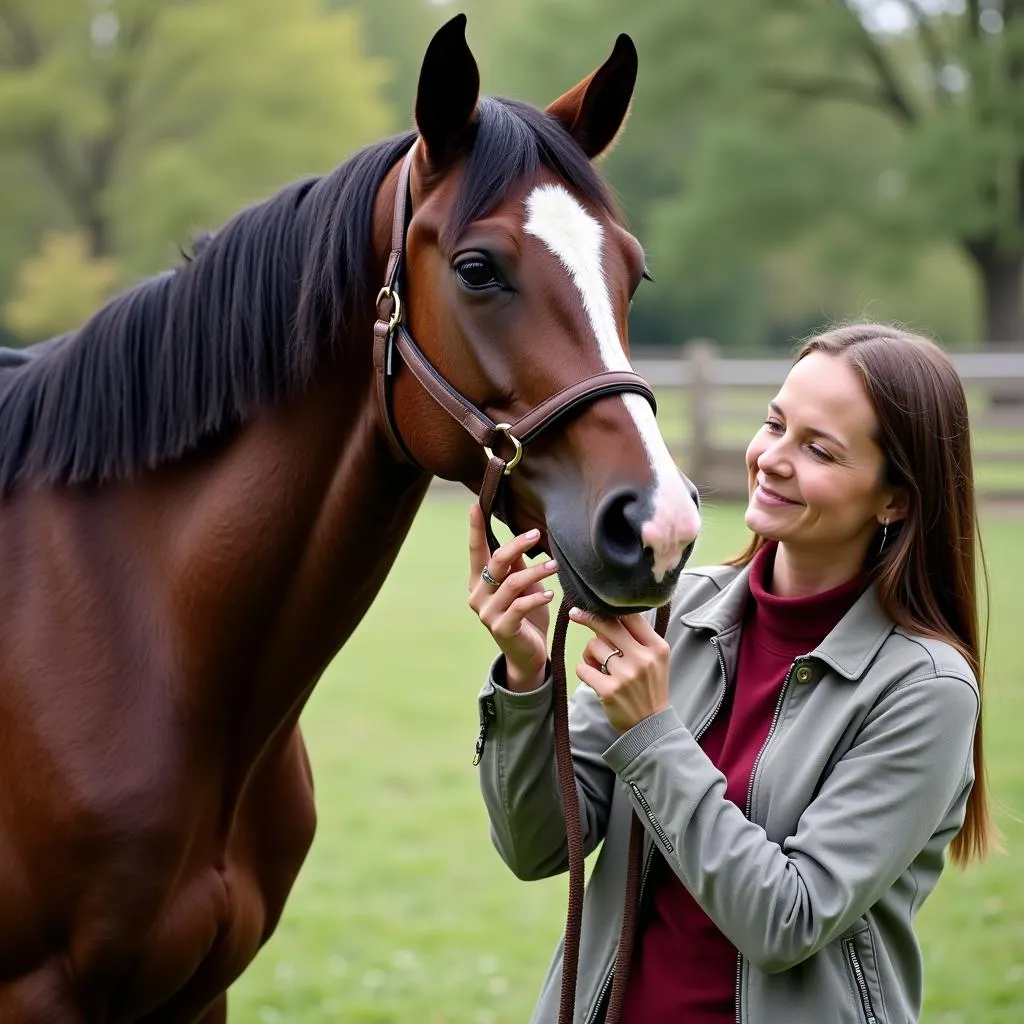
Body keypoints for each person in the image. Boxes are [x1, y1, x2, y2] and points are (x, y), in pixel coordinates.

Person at [467, 323, 995, 1024]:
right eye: (775, 423)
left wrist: (652, 734)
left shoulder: (926, 690)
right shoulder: (677, 609)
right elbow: (535, 847)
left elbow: (788, 920)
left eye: (819, 449)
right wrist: (527, 676)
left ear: (893, 498)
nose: (772, 458)